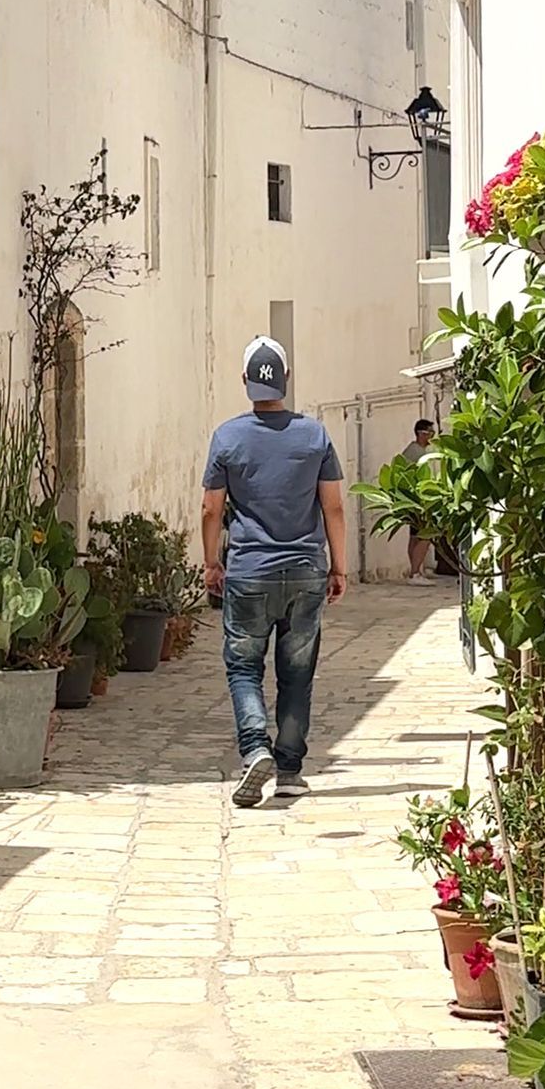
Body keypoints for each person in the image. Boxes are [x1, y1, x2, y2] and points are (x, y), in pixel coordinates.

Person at [201, 337, 348, 806]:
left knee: (243, 666)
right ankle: (288, 770)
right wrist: (339, 567)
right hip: (306, 570)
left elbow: (211, 509)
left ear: (244, 381)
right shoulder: (315, 436)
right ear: (287, 378)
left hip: (249, 571)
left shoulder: (227, 438)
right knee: (297, 672)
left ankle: (254, 748)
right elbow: (334, 507)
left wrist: (211, 562)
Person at [399, 417, 438, 582]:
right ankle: (415, 572)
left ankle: (416, 570)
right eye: (430, 432)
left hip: (412, 499)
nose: (432, 436)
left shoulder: (412, 451)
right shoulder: (417, 453)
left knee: (415, 536)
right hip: (419, 500)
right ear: (422, 434)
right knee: (425, 535)